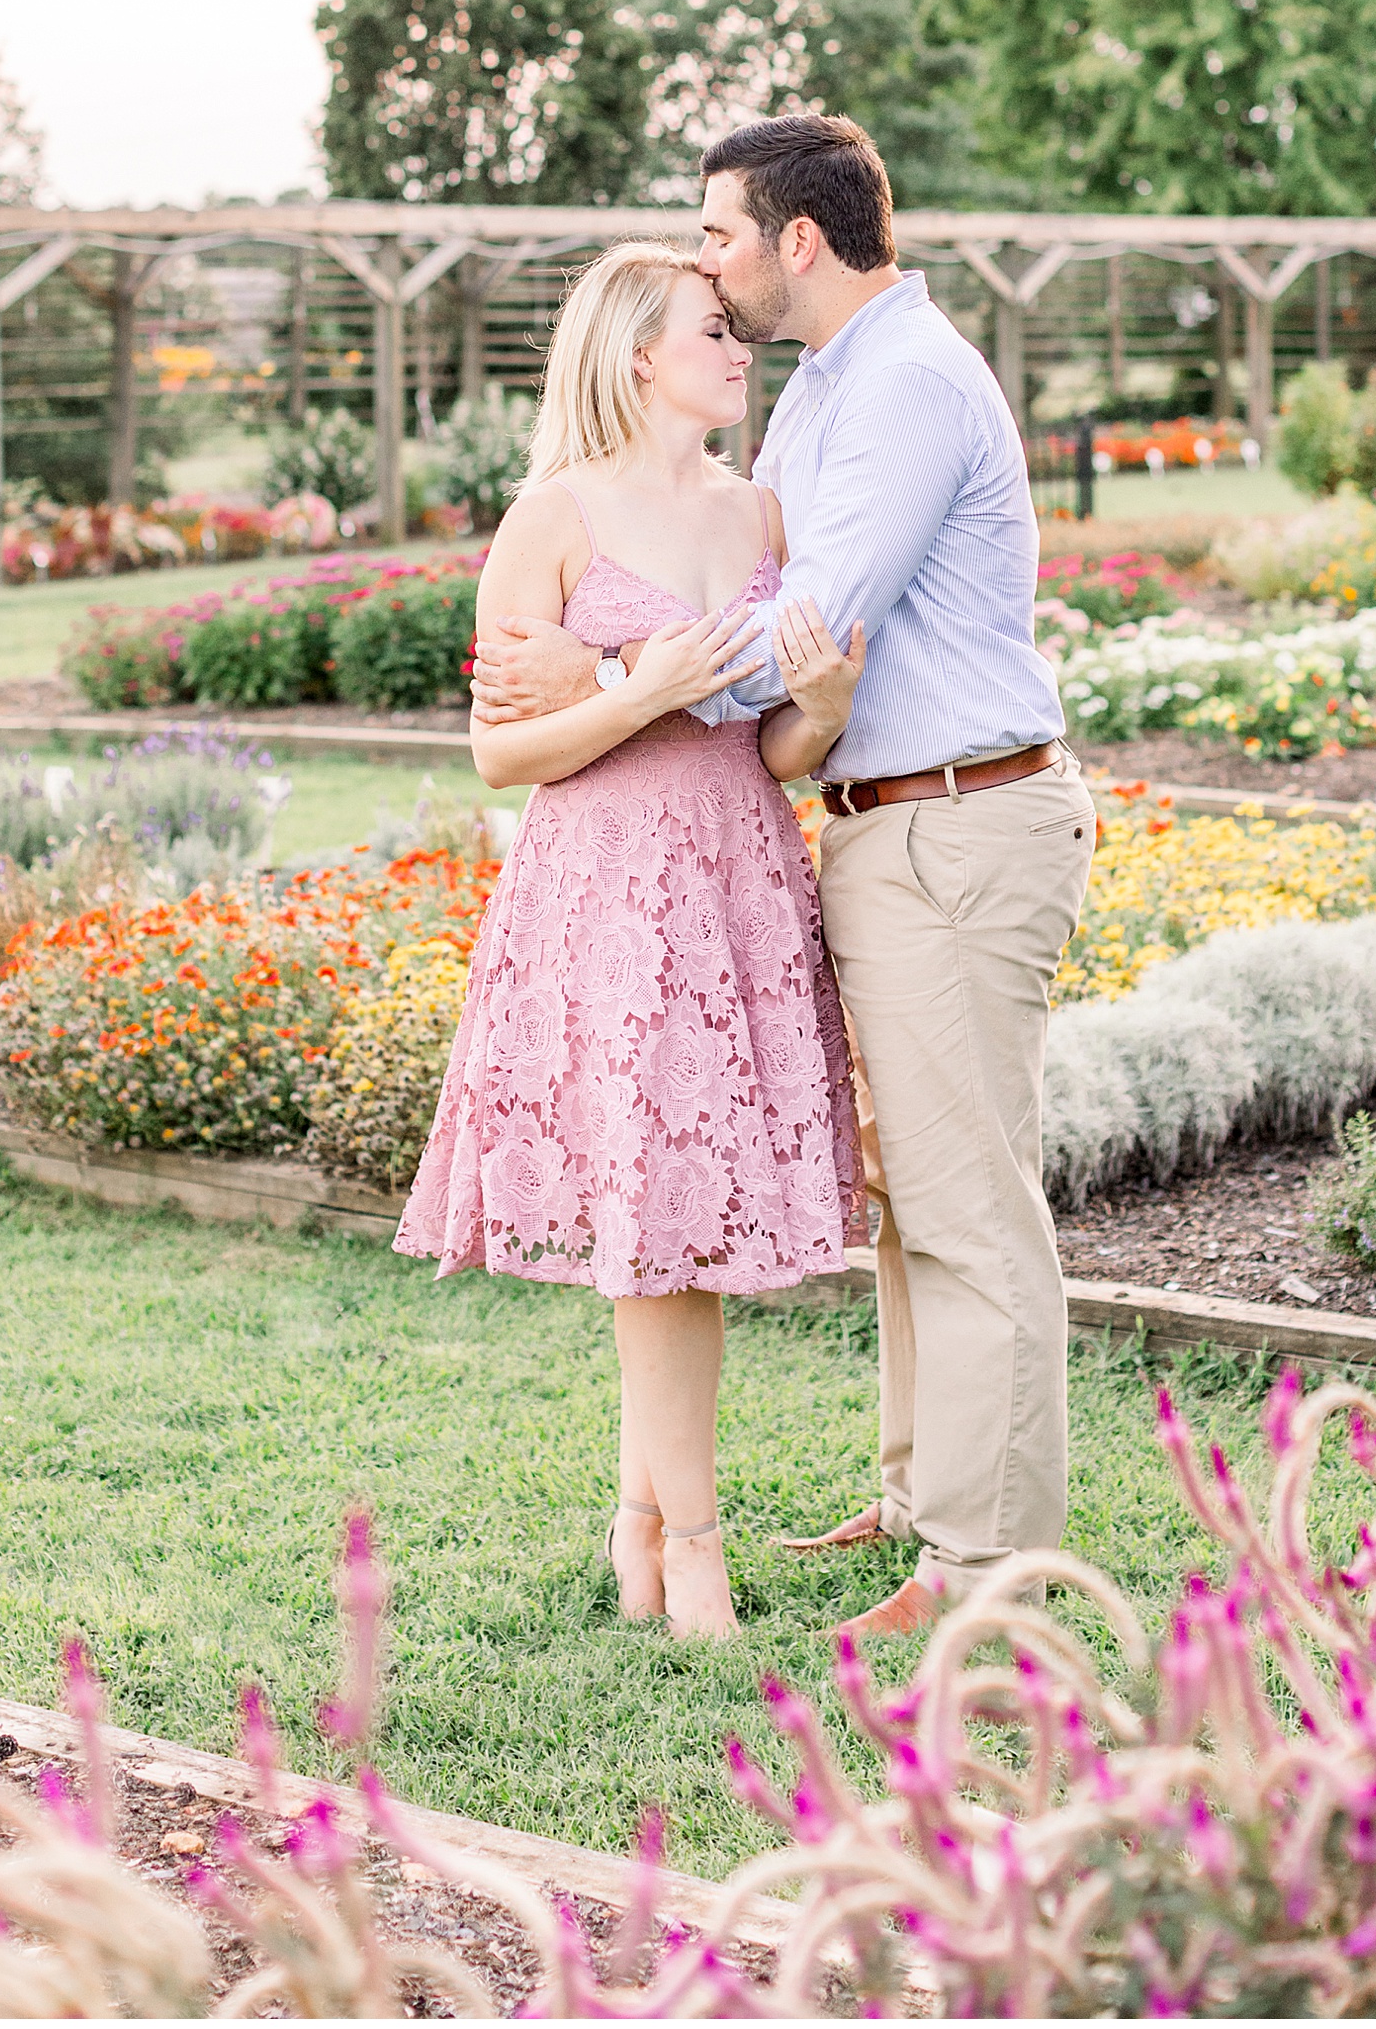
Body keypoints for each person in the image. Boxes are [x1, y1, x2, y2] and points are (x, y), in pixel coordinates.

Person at [470, 115, 1097, 1637]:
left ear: (794, 242)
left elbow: (804, 617)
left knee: (968, 1207)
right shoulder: (826, 393)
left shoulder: (910, 389)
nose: (710, 262)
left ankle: (981, 1566)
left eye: (721, 237)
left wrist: (601, 667)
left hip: (960, 819)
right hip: (874, 822)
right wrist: (630, 678)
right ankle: (914, 1494)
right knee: (914, 1202)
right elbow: (795, 671)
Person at [393, 241, 867, 1641]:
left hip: (737, 882)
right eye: (712, 330)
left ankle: (643, 1523)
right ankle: (694, 1551)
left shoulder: (758, 513)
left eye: (735, 328)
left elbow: (771, 744)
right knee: (660, 1234)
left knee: (683, 1222)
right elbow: (496, 752)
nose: (739, 348)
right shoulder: (552, 515)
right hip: (604, 898)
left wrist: (825, 710)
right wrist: (632, 683)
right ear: (637, 355)